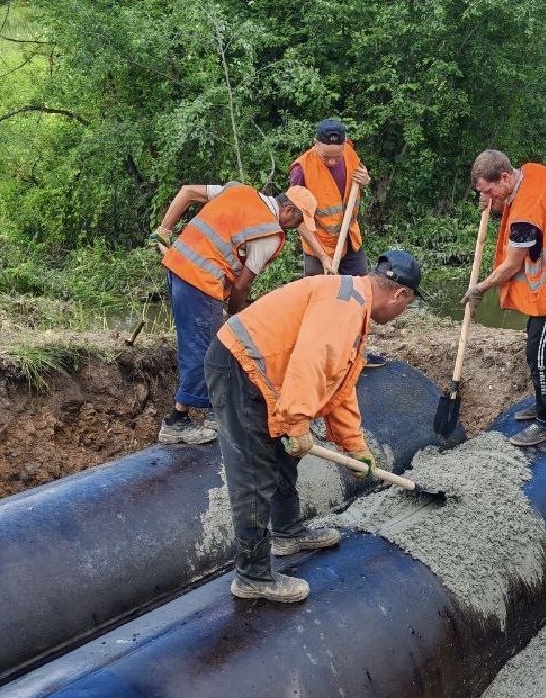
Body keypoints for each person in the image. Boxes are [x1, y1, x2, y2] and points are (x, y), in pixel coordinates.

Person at [205, 250, 423, 602]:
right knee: (254, 469)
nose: (400, 316)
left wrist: (354, 445)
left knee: (284, 454)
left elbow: (339, 382)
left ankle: (287, 531)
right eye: (406, 308)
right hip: (239, 367)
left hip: (266, 373)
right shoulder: (345, 306)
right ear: (400, 295)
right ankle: (252, 575)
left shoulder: (355, 302)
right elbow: (310, 363)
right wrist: (295, 422)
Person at [152, 181, 313, 445]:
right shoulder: (268, 234)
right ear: (289, 211)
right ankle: (176, 423)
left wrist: (164, 229)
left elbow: (188, 191)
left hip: (179, 266)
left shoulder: (239, 190)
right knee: (203, 349)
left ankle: (216, 412)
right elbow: (242, 285)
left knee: (204, 344)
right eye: (299, 223)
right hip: (201, 280)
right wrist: (237, 313)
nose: (297, 230)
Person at [464, 150, 546, 448]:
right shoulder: (535, 171)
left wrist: (480, 287)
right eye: (482, 192)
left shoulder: (524, 218)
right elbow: (510, 200)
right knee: (536, 345)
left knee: (539, 354)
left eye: (489, 190)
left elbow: (511, 265)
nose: (486, 196)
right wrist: (493, 201)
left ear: (505, 177)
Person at [290, 118, 388, 368]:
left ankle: (357, 354)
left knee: (359, 298)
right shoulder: (302, 169)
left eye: (337, 156)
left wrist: (365, 178)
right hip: (318, 247)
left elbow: (360, 176)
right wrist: (322, 256)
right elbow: (296, 218)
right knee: (320, 302)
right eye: (327, 157)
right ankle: (319, 358)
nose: (333, 161)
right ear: (315, 144)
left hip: (351, 242)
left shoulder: (349, 152)